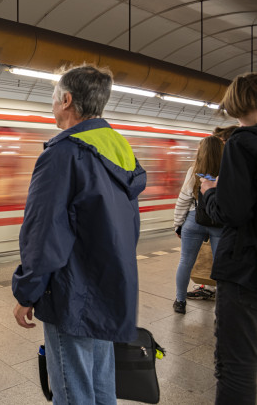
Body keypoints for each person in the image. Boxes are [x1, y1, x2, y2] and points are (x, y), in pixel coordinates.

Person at [12, 65, 146, 404]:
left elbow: (43, 235)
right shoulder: (120, 150)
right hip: (109, 287)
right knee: (102, 388)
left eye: (54, 98)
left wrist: (27, 291)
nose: (52, 105)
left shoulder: (63, 154)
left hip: (71, 294)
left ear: (67, 100)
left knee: (73, 394)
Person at [199, 73, 257, 405]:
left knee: (235, 365)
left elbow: (231, 212)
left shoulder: (242, 142)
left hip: (245, 269)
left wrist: (211, 192)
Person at [171, 136, 224, 311]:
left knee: (185, 261)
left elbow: (183, 199)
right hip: (218, 221)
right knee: (221, 265)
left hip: (195, 219)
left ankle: (180, 301)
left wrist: (178, 224)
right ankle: (221, 309)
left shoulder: (194, 170)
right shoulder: (227, 171)